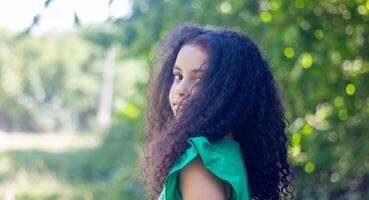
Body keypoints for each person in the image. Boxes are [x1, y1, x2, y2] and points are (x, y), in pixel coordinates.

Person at [140, 23, 295, 200]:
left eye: (199, 79)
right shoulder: (230, 151)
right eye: (178, 76)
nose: (180, 89)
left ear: (229, 92)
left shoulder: (201, 160)